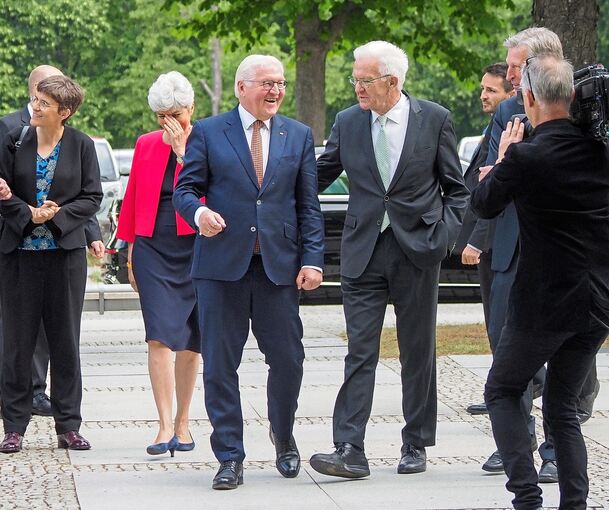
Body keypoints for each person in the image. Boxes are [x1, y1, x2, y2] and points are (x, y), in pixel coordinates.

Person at [310, 40, 469, 478]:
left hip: (417, 250)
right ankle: (349, 448)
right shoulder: (347, 122)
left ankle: (415, 443)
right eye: (355, 79)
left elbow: (456, 190)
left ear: (392, 82)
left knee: (417, 352)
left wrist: (444, 237)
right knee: (359, 352)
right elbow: (317, 177)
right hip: (362, 253)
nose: (357, 88)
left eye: (364, 80)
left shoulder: (433, 119)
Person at [173, 54, 324, 490]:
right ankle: (230, 456)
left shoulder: (297, 135)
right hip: (221, 268)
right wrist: (199, 214)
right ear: (242, 87)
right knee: (221, 365)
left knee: (289, 360)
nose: (275, 90)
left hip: (279, 268)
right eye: (266, 83)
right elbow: (186, 190)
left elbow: (307, 206)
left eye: (280, 83)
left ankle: (284, 435)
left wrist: (313, 260)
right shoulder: (207, 131)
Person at [471, 54, 609, 510]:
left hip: (545, 302)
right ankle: (575, 503)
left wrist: (505, 157)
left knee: (502, 390)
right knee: (562, 408)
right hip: (596, 303)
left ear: (527, 98)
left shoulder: (527, 156)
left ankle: (527, 498)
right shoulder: (599, 150)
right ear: (569, 96)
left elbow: (484, 203)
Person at [0, 75, 102, 453]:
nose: (35, 106)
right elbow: (0, 189)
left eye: (43, 102)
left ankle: (68, 426)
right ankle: (14, 426)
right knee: (16, 343)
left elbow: (92, 196)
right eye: (35, 99)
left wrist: (55, 217)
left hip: (65, 259)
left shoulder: (81, 145)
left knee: (65, 343)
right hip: (18, 258)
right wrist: (27, 213)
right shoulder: (14, 141)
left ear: (65, 111)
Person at [116, 71, 201, 457]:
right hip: (152, 247)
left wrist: (184, 152)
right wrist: (131, 251)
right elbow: (133, 197)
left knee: (190, 340)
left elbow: (208, 192)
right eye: (161, 115)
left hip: (195, 245)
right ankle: (163, 424)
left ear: (191, 109)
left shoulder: (207, 140)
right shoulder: (146, 144)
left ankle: (184, 423)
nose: (168, 123)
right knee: (158, 335)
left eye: (176, 114)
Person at [454, 62, 514, 416]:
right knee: (496, 323)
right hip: (492, 243)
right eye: (482, 88)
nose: (482, 96)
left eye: (491, 90)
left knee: (503, 325)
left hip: (498, 241)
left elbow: (495, 193)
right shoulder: (491, 129)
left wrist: (477, 240)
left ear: (510, 95)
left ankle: (515, 386)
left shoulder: (509, 129)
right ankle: (502, 387)